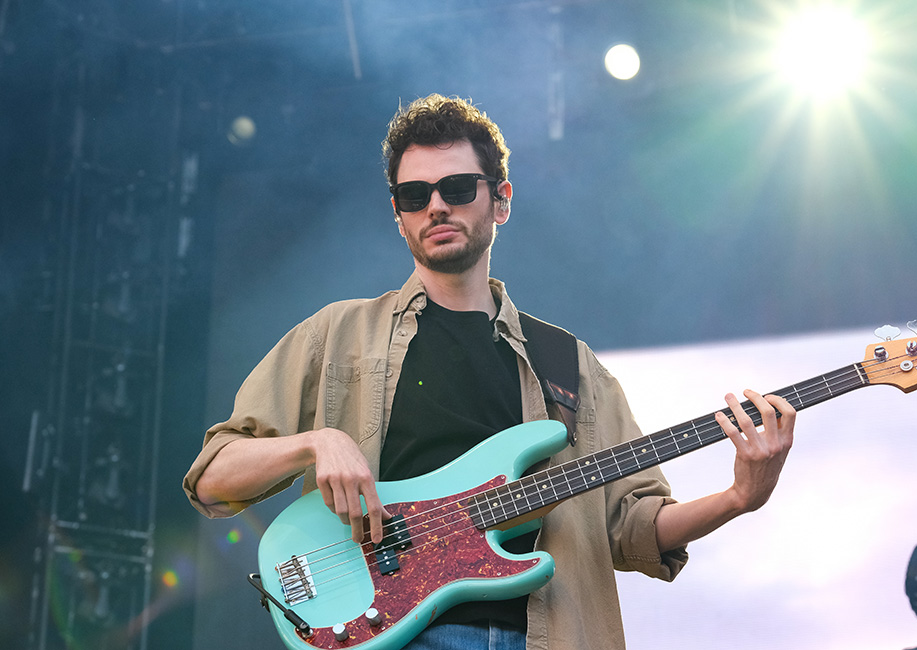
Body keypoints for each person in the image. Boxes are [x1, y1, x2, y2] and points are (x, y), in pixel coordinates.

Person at [182, 94, 796, 650]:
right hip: (383, 633)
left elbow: (634, 528)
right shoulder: (337, 335)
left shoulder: (570, 365)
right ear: (398, 214)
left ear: (500, 200)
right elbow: (214, 479)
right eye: (414, 196)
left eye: (457, 187)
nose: (436, 206)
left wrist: (741, 496)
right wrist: (317, 442)